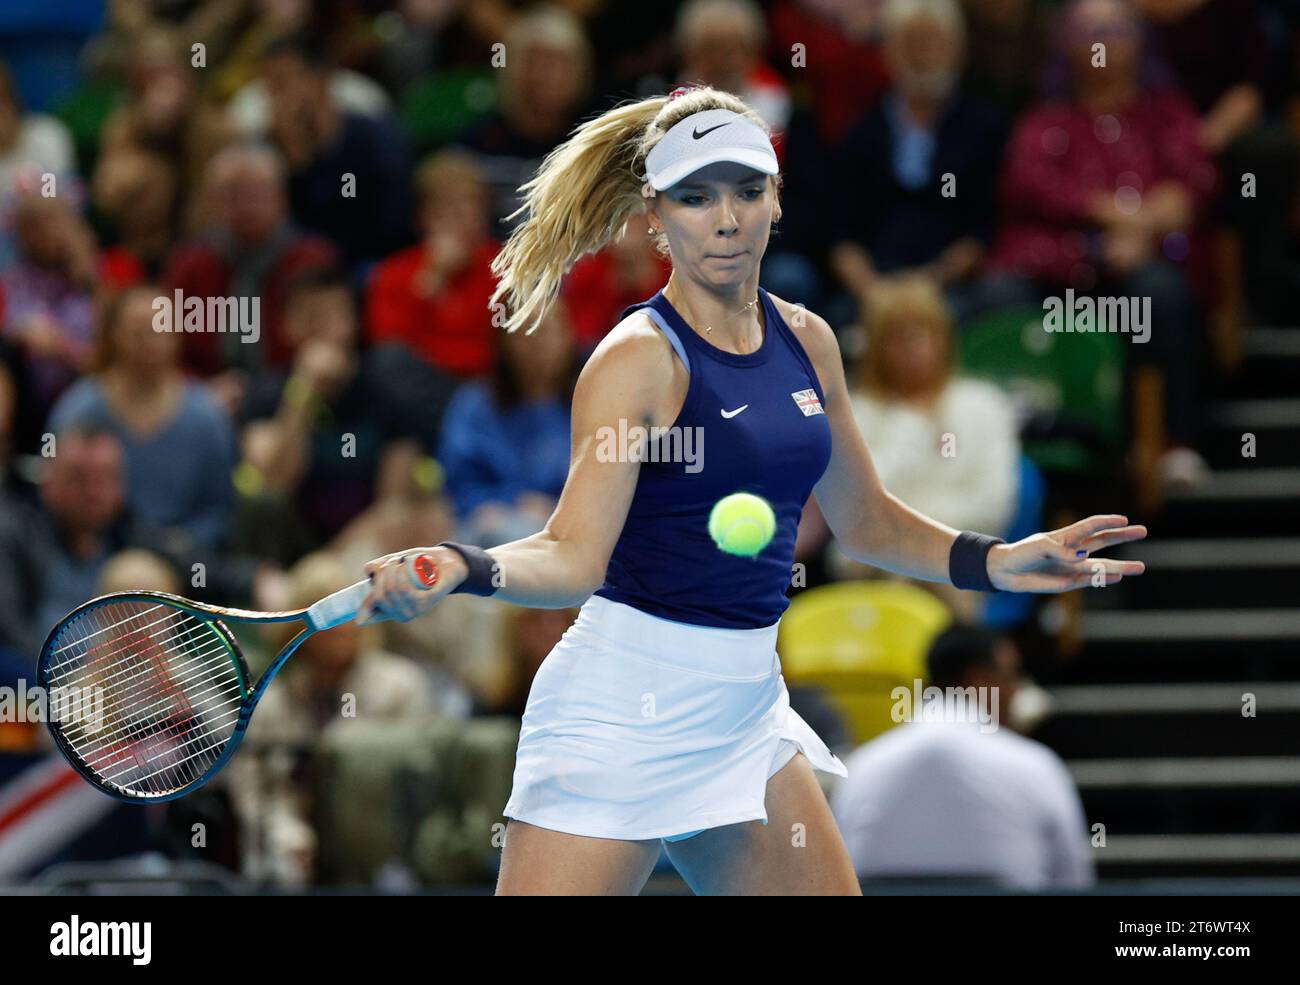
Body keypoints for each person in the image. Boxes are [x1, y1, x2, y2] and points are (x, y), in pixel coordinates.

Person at [355, 85, 1146, 896]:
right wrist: (461, 562)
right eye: (695, 197)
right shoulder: (637, 359)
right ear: (655, 218)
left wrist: (997, 561)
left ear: (776, 198)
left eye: (744, 189)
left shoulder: (810, 341)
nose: (725, 218)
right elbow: (573, 553)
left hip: (743, 711)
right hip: (619, 710)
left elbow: (865, 520)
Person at [831, 625, 1096, 891]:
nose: (1016, 691)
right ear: (979, 680)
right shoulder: (1035, 765)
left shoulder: (860, 767)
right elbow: (1074, 881)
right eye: (1011, 677)